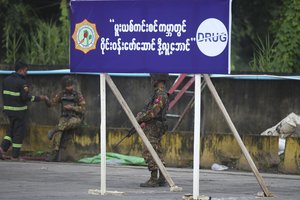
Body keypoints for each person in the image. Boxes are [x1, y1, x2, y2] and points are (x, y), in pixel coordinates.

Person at [0, 61, 48, 160]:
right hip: (19, 112)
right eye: (26, 70)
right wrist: (40, 98)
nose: (27, 72)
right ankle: (15, 156)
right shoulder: (22, 82)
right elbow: (25, 97)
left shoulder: (6, 80)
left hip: (9, 111)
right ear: (21, 70)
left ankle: (2, 149)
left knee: (11, 131)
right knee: (19, 133)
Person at [136, 73, 169, 187]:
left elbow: (153, 112)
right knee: (157, 150)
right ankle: (162, 177)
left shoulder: (160, 95)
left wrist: (140, 118)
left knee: (149, 150)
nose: (151, 81)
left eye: (153, 79)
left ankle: (154, 178)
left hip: (154, 126)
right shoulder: (157, 94)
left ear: (157, 80)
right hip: (155, 125)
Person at [45, 75, 86, 161]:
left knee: (63, 126)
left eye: (71, 85)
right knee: (59, 132)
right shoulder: (61, 94)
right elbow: (52, 103)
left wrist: (72, 107)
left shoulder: (77, 95)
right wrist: (46, 100)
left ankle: (54, 130)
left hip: (75, 117)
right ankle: (54, 153)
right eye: (68, 86)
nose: (70, 87)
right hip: (64, 117)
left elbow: (83, 109)